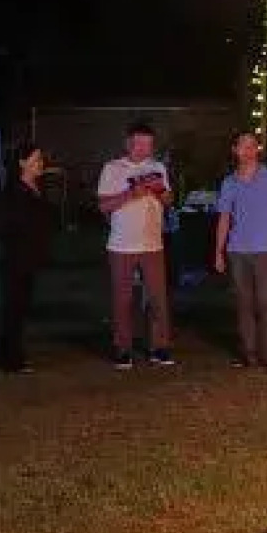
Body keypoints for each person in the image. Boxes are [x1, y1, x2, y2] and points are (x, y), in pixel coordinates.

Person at [97, 122, 175, 369]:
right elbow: (103, 206)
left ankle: (159, 347)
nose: (145, 149)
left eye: (149, 144)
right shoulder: (112, 168)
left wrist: (160, 193)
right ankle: (123, 349)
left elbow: (169, 200)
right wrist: (132, 194)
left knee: (157, 297)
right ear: (128, 143)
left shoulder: (157, 167)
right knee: (123, 299)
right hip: (122, 245)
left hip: (153, 244)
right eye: (140, 143)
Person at [214, 132, 267, 368]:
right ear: (235, 150)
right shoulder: (230, 182)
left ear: (258, 149)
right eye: (243, 146)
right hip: (237, 249)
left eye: (252, 146)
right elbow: (224, 217)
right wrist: (218, 250)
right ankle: (249, 353)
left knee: (266, 301)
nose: (248, 151)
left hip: (265, 248)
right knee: (243, 302)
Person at [0, 142, 56, 373]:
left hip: (32, 255)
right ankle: (11, 356)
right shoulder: (14, 191)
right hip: (18, 257)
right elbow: (9, 226)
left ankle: (14, 351)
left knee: (22, 306)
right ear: (22, 162)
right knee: (14, 306)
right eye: (36, 159)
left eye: (41, 160)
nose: (40, 164)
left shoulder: (36, 187)